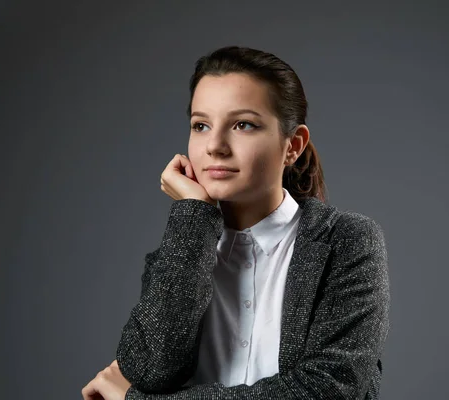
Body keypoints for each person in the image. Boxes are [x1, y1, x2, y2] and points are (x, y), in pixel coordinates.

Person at [82, 45, 390, 400]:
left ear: (293, 145)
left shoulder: (346, 241)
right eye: (201, 125)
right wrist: (194, 214)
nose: (215, 146)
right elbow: (149, 370)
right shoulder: (181, 252)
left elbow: (330, 388)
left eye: (243, 124)